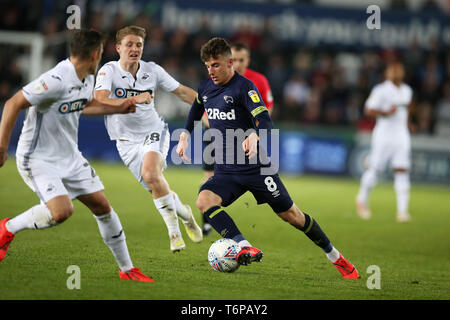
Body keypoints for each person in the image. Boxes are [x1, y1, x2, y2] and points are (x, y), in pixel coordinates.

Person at [176, 37, 359, 279]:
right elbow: (196, 109)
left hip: (257, 170)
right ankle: (242, 245)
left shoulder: (245, 87)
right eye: (207, 66)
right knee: (204, 200)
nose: (211, 71)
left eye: (216, 65)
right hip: (226, 171)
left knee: (292, 216)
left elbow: (265, 119)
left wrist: (253, 134)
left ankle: (335, 256)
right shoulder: (206, 88)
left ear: (230, 62)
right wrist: (185, 135)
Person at [0, 29, 153, 282]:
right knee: (61, 212)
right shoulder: (56, 79)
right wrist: (2, 147)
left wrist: (119, 108)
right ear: (95, 54)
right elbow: (13, 103)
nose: (101, 58)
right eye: (101, 54)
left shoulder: (87, 77)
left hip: (69, 156)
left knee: (102, 206)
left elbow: (84, 105)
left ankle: (127, 270)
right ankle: (7, 228)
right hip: (38, 158)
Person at [94, 26, 203, 252]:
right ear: (118, 48)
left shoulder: (152, 70)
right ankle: (185, 214)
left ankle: (174, 235)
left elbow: (182, 92)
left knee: (151, 174)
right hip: (125, 142)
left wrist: (209, 109)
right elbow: (100, 100)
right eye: (130, 45)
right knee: (156, 187)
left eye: (139, 45)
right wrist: (132, 100)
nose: (135, 49)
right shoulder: (109, 71)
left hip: (154, 131)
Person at [200, 42, 275, 236]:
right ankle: (208, 223)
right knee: (210, 177)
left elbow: (267, 109)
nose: (239, 63)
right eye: (236, 59)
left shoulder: (257, 81)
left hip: (245, 137)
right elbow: (203, 109)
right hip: (216, 135)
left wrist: (253, 132)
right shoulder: (216, 79)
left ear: (247, 60)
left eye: (242, 60)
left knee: (245, 177)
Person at [356, 62, 413, 223]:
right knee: (375, 169)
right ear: (387, 73)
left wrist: (408, 124)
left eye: (398, 70)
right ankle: (361, 199)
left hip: (401, 135)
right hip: (384, 135)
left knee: (402, 170)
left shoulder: (407, 91)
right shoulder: (380, 90)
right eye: (392, 70)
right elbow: (368, 110)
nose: (396, 73)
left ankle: (402, 212)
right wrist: (385, 113)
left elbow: (404, 112)